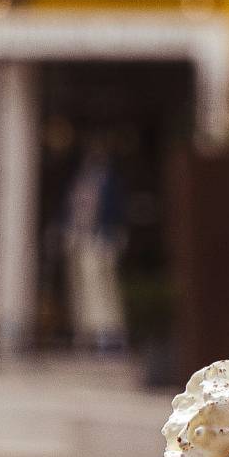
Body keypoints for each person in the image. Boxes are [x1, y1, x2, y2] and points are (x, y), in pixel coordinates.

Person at [63, 140, 127, 352]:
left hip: (102, 239)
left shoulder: (111, 181)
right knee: (82, 287)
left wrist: (114, 234)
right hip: (81, 239)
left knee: (103, 287)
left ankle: (107, 332)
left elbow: (116, 210)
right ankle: (87, 332)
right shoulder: (80, 180)